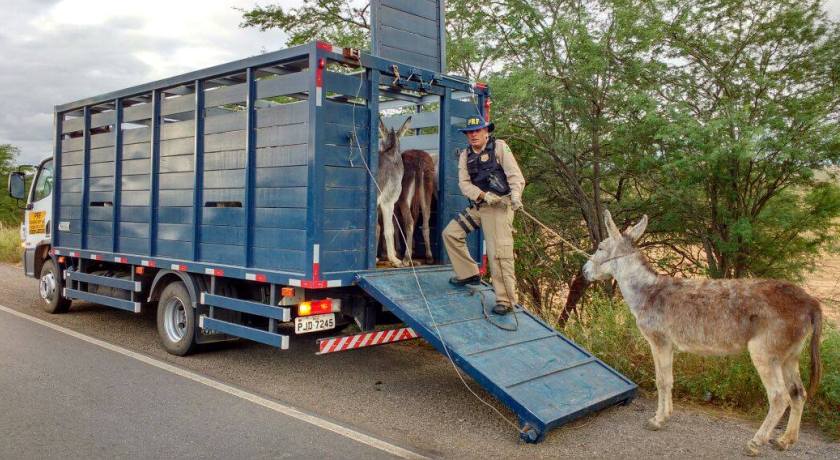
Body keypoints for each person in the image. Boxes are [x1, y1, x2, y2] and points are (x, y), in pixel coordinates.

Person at [442, 114, 525, 315]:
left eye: (477, 131)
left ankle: (505, 301)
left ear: (486, 131)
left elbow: (515, 175)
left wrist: (516, 196)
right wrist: (482, 195)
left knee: (499, 253)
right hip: (480, 206)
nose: (473, 135)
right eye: (469, 132)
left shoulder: (499, 147)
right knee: (451, 234)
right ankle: (469, 273)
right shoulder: (465, 155)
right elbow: (464, 184)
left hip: (499, 208)